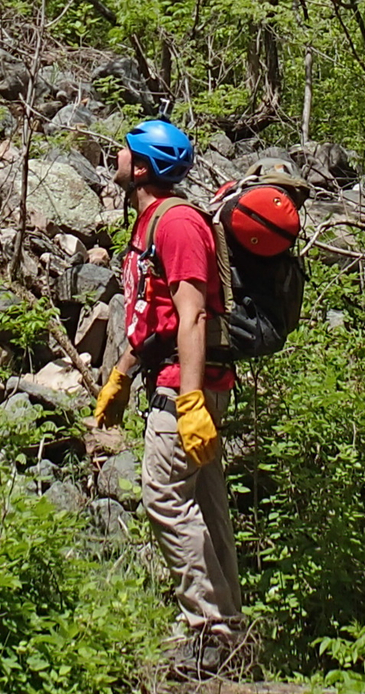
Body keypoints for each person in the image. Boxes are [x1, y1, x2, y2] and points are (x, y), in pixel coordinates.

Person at [88, 118, 241, 676]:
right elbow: (158, 322)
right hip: (174, 380)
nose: (118, 159)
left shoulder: (176, 223)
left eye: (127, 152)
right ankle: (231, 630)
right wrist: (122, 376)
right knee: (205, 506)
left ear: (145, 168)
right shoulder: (149, 222)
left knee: (164, 499)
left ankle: (208, 631)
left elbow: (193, 313)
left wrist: (191, 398)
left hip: (186, 389)